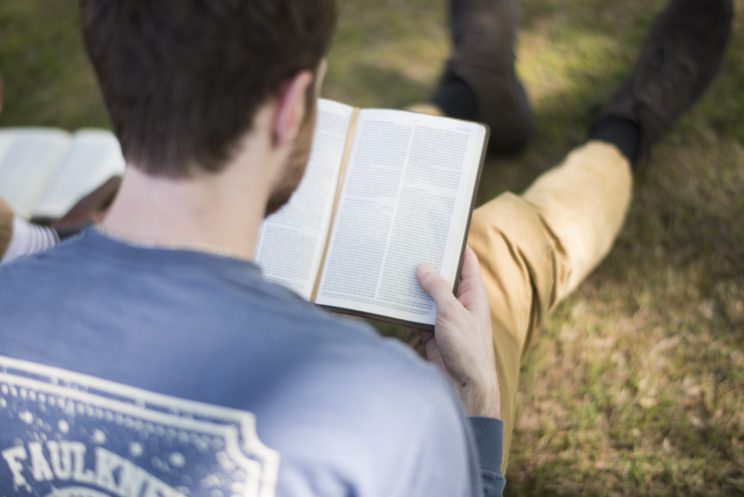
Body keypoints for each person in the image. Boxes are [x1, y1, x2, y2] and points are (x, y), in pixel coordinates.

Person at [0, 2, 731, 497]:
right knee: (499, 252)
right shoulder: (394, 410)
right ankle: (625, 131)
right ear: (292, 106)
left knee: (382, 182)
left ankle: (469, 95)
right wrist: (470, 410)